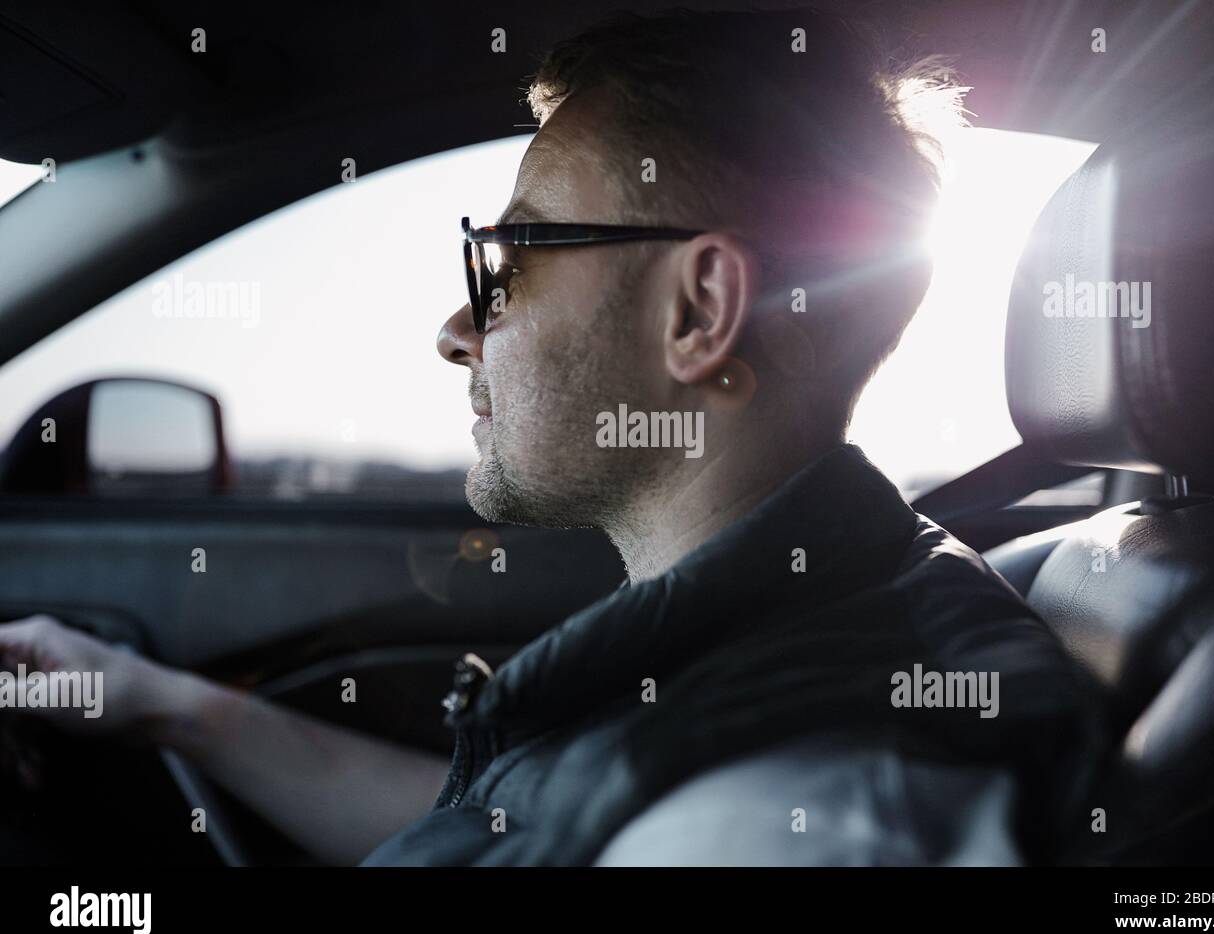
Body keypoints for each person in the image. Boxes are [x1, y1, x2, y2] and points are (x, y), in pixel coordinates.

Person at [0, 8, 1101, 866]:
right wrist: (162, 704)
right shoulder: (796, 634)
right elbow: (519, 826)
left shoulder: (804, 803)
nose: (455, 329)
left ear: (697, 309)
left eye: (510, 260)